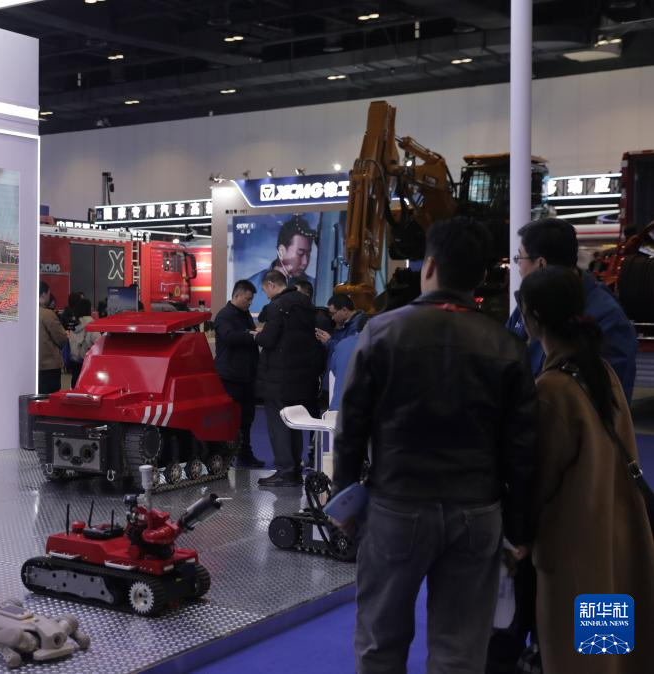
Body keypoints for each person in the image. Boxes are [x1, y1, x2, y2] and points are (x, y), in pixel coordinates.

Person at [334, 217, 538, 673]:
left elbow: (351, 427)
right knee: (460, 651)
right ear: (481, 276)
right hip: (478, 512)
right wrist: (519, 529)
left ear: (428, 266)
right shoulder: (507, 346)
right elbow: (522, 448)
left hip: (395, 506)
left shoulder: (381, 332)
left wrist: (344, 497)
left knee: (380, 642)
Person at [518, 266, 654, 674]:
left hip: (574, 554)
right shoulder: (602, 372)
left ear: (534, 318)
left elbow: (540, 483)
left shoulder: (552, 391)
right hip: (616, 541)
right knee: (607, 656)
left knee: (576, 660)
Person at [508, 217, 636, 401]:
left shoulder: (607, 319)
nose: (519, 267)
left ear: (541, 264)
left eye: (520, 258)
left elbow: (611, 402)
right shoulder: (528, 304)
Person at [254, 270, 325, 487]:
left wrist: (258, 335)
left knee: (279, 424)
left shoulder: (278, 307)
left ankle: (285, 470)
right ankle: (294, 468)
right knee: (294, 422)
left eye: (265, 290)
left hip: (279, 377)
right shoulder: (305, 303)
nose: (266, 294)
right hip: (301, 376)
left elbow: (269, 339)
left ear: (271, 284)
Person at [214, 280, 264, 469]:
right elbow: (229, 337)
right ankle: (221, 457)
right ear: (236, 295)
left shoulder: (244, 314)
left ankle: (245, 454)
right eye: (247, 299)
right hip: (230, 377)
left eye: (251, 300)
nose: (250, 303)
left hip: (246, 376)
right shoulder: (224, 316)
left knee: (247, 418)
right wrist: (252, 334)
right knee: (229, 419)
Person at [247, 215, 319, 316]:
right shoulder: (251, 286)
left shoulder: (317, 287)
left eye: (308, 254)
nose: (305, 262)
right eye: (300, 253)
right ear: (281, 251)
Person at [38, 281, 67, 394]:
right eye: (49, 293)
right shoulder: (47, 314)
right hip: (49, 365)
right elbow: (61, 337)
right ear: (44, 294)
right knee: (50, 398)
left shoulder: (27, 312)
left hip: (32, 364)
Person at [67, 297, 99, 388]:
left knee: (75, 386)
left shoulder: (74, 323)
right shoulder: (92, 324)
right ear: (88, 309)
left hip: (74, 361)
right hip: (87, 363)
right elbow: (98, 342)